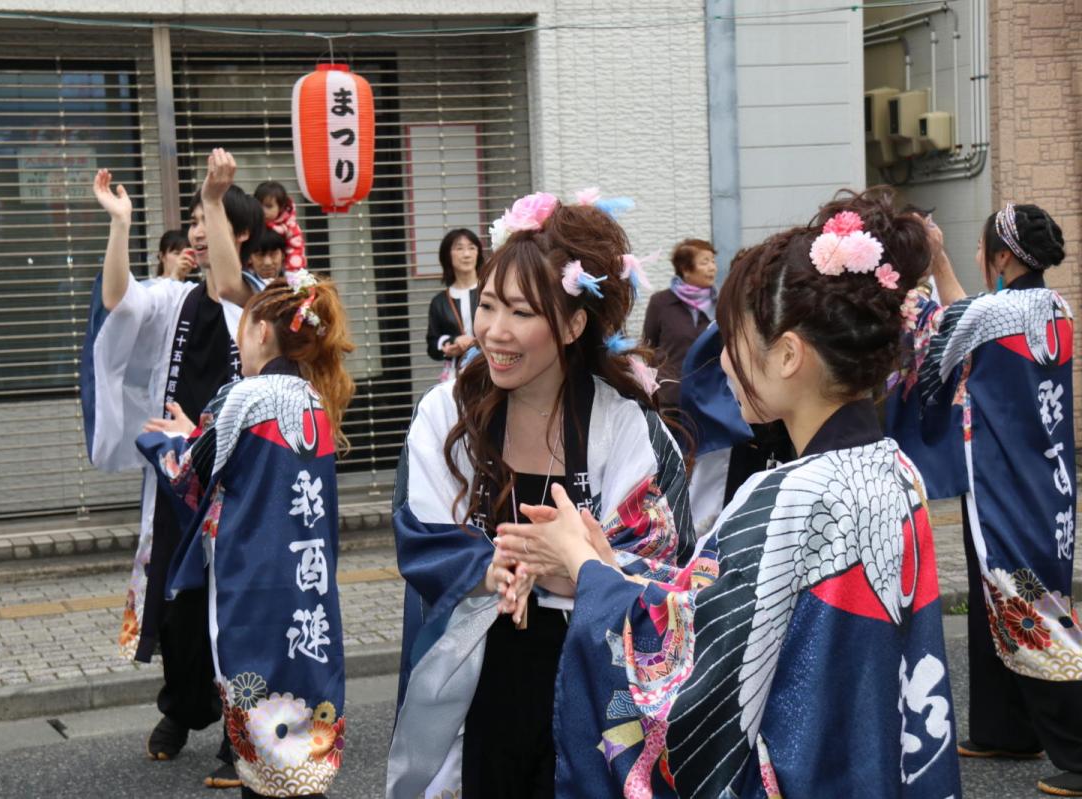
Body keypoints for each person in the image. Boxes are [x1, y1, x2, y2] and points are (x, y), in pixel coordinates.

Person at [497, 188, 962, 797]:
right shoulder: (892, 469)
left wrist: (587, 569)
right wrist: (608, 564)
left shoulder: (787, 496)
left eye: (734, 342)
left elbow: (683, 671)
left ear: (789, 354)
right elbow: (722, 603)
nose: (721, 366)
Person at [387, 191, 694, 798]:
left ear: (574, 323)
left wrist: (572, 568)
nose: (495, 332)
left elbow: (662, 562)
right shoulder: (446, 413)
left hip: (591, 676)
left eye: (521, 313)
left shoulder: (622, 423)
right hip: (477, 676)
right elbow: (419, 532)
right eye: (489, 305)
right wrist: (495, 564)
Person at [80, 148, 264, 786]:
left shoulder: (264, 303)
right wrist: (120, 225)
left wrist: (217, 201)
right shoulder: (172, 297)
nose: (193, 229)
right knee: (178, 606)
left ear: (237, 236)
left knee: (236, 605)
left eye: (206, 218)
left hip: (242, 480)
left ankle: (241, 731)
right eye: (190, 219)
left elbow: (227, 284)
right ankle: (185, 709)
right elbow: (118, 301)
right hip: (177, 478)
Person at [138, 272, 355, 799]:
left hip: (252, 585)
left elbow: (189, 480)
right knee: (305, 714)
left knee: (257, 720)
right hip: (308, 587)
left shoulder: (244, 396)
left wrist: (160, 443)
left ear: (260, 330)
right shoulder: (314, 398)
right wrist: (197, 434)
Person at [891, 203, 1082, 797]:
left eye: (981, 250)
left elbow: (945, 344)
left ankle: (1078, 750)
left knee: (1027, 605)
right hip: (1045, 483)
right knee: (991, 591)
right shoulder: (1054, 307)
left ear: (1001, 256)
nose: (977, 259)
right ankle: (1007, 727)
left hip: (1005, 483)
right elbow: (969, 316)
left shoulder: (990, 313)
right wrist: (942, 258)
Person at [641, 238, 717, 418]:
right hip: (670, 399)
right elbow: (648, 346)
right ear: (685, 269)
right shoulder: (660, 302)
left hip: (709, 398)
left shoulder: (719, 304)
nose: (712, 267)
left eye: (713, 261)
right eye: (704, 262)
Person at [424, 228, 483, 382]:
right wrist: (454, 341)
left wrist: (475, 342)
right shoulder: (440, 302)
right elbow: (432, 346)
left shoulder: (489, 291)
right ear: (447, 255)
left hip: (489, 369)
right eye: (459, 248)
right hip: (456, 376)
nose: (467, 254)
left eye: (472, 248)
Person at [255, 180, 307, 272]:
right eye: (259, 206)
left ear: (281, 207)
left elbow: (296, 249)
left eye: (269, 206)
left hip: (284, 269)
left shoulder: (289, 225)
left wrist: (293, 271)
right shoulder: (252, 222)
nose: (263, 211)